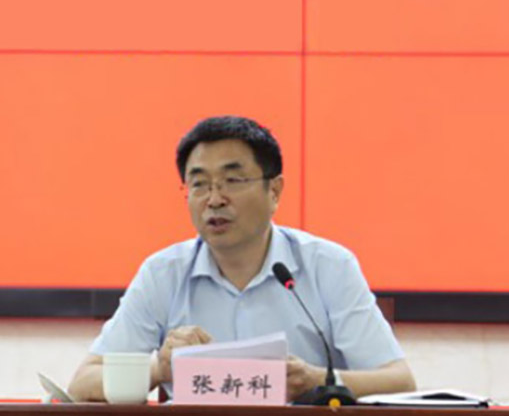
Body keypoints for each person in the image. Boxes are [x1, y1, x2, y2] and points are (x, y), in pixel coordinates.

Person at [68, 116, 416, 402]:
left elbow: (399, 381)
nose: (214, 199)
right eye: (199, 184)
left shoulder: (329, 266)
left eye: (232, 180)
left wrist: (317, 380)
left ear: (274, 191)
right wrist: (160, 369)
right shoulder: (163, 273)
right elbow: (83, 383)